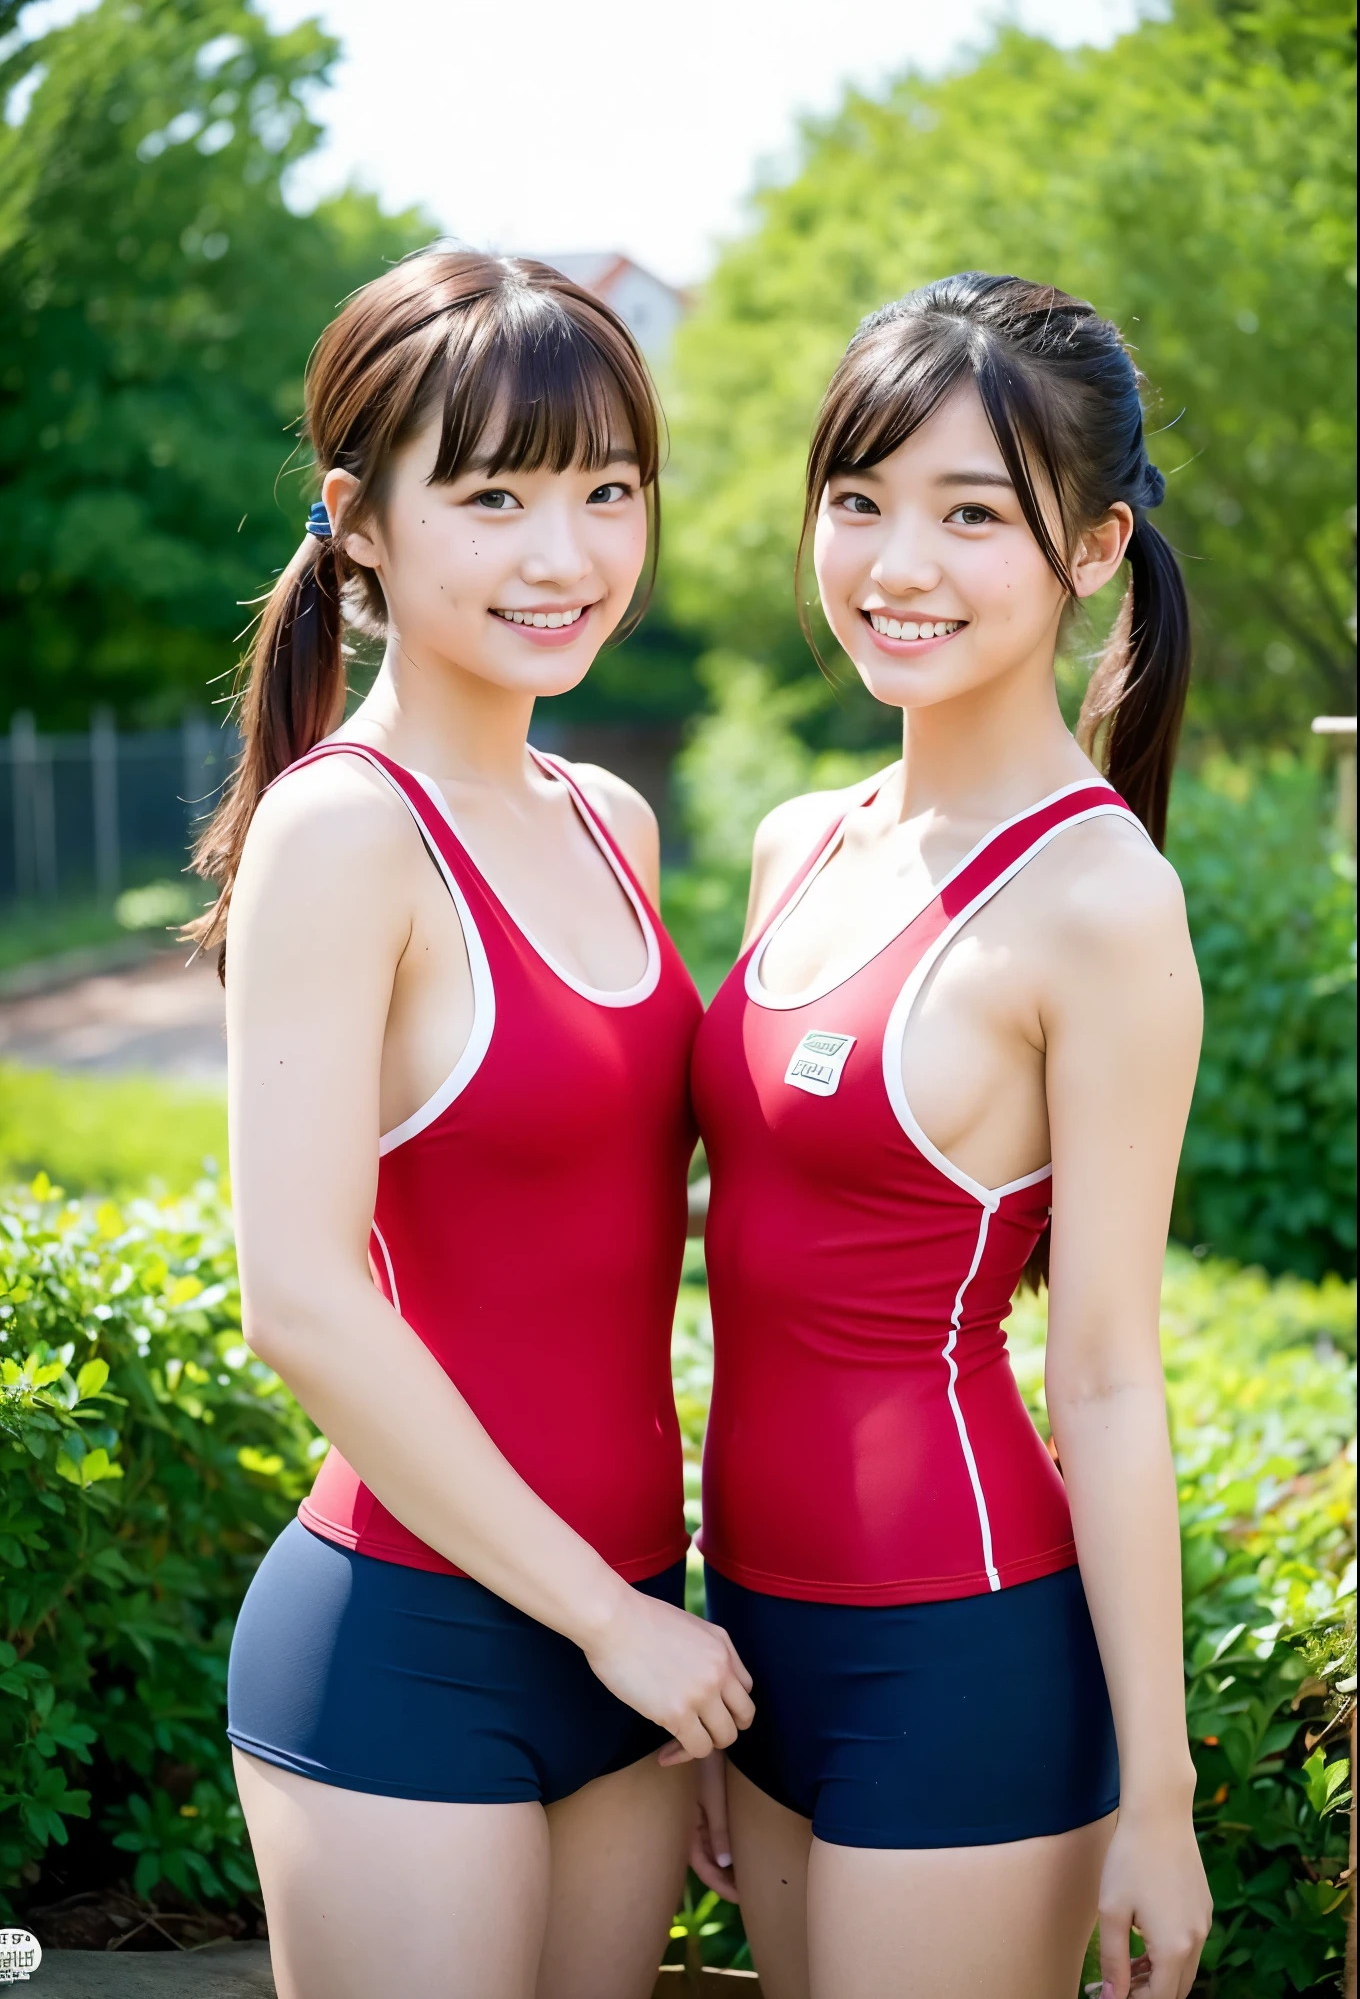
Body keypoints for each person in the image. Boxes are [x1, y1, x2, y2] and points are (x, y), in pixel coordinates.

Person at [192, 247, 753, 1999]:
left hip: (638, 1629)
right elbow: (299, 1300)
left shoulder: (610, 819)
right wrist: (610, 1623)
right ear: (358, 521)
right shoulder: (342, 833)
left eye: (605, 490)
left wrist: (672, 1627)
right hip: (415, 1639)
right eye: (493, 496)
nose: (563, 553)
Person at [689, 274, 1213, 1999]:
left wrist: (1161, 1795)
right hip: (748, 1637)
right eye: (859, 500)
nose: (895, 564)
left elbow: (1113, 1380)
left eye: (969, 512)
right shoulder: (796, 842)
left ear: (1091, 548)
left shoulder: (1102, 903)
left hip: (966, 1652)